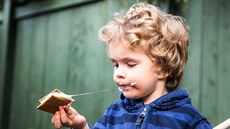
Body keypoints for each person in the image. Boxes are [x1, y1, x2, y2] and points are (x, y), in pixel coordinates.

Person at [52, 2, 212, 129]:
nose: (119, 73)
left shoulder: (188, 119)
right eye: (115, 65)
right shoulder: (114, 113)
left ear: (164, 68)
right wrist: (81, 126)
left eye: (130, 64)